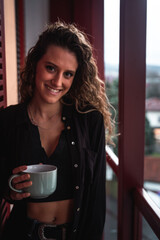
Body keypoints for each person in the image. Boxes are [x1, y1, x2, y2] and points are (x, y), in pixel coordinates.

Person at [0, 20, 114, 240]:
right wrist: (9, 189)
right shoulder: (7, 120)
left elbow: (96, 199)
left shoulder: (90, 121)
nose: (58, 81)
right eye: (51, 68)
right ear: (35, 64)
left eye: (68, 74)